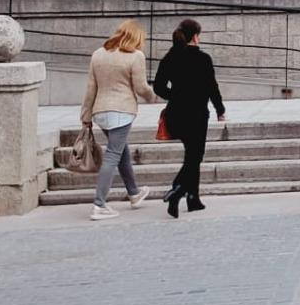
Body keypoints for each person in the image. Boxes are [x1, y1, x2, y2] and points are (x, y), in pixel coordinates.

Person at [81, 19, 159, 221]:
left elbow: (91, 88)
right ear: (136, 38)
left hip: (100, 111)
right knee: (113, 154)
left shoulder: (98, 54)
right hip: (122, 111)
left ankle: (134, 193)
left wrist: (86, 116)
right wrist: (152, 97)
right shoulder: (135, 56)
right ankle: (99, 205)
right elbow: (141, 87)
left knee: (121, 150)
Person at [153, 18, 226, 217]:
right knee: (196, 156)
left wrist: (175, 96)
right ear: (195, 36)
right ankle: (178, 189)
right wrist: (220, 109)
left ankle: (193, 198)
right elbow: (212, 87)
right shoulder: (203, 59)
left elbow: (158, 87)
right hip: (197, 115)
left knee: (191, 155)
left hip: (176, 114)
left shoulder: (170, 57)